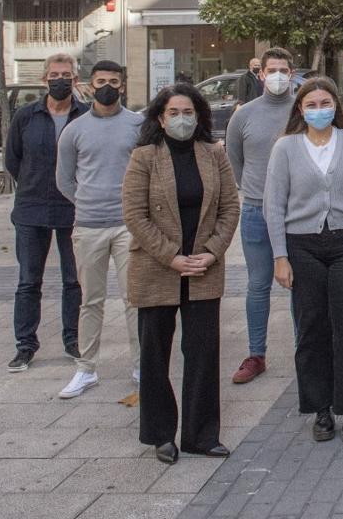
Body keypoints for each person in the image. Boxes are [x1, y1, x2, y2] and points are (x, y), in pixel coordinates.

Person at [123, 84, 239, 463]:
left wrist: (210, 253)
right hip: (158, 269)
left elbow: (229, 208)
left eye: (187, 111)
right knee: (155, 353)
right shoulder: (144, 157)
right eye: (173, 112)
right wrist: (172, 256)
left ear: (199, 115)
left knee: (203, 353)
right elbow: (135, 215)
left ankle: (201, 435)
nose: (181, 119)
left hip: (204, 269)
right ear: (160, 118)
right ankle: (161, 435)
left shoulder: (213, 155)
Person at [267, 77, 343, 443]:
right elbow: (274, 205)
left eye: (325, 102)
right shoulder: (285, 148)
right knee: (312, 327)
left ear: (337, 105)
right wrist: (280, 256)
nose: (319, 110)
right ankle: (319, 409)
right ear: (300, 109)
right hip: (302, 246)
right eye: (311, 104)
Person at [55, 60, 145, 399]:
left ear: (122, 85)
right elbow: (64, 179)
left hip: (128, 226)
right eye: (101, 80)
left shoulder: (137, 125)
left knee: (133, 299)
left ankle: (140, 365)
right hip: (89, 225)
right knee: (90, 301)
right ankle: (86, 368)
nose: (107, 86)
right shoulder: (75, 130)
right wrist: (86, 200)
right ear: (90, 85)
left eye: (114, 81)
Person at [5, 54, 88, 372]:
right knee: (28, 281)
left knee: (73, 281)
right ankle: (25, 345)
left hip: (73, 209)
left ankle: (73, 341)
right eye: (54, 74)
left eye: (66, 74)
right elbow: (13, 160)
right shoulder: (26, 116)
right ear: (44, 79)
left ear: (75, 79)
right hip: (31, 209)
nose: (60, 79)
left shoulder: (85, 116)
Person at [225, 48, 297, 385]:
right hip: (256, 210)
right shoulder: (244, 115)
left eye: (284, 69)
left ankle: (305, 350)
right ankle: (256, 354)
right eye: (273, 69)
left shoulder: (303, 110)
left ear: (292, 73)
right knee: (257, 285)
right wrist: (252, 189)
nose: (279, 75)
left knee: (301, 284)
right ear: (261, 74)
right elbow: (234, 160)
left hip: (298, 211)